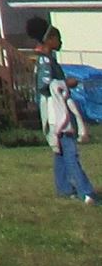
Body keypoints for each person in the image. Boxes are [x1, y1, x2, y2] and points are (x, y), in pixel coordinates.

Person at [36, 26, 96, 204]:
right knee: (70, 151)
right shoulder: (45, 61)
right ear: (50, 39)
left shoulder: (50, 60)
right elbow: (44, 85)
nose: (60, 43)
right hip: (56, 112)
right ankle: (86, 192)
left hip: (58, 109)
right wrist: (66, 83)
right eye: (58, 39)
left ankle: (64, 188)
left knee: (60, 151)